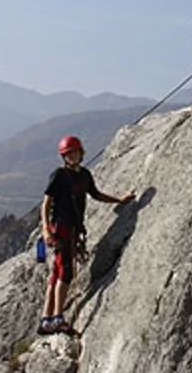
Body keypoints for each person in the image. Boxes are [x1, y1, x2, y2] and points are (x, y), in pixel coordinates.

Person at [37, 134, 136, 335]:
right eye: (68, 154)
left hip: (72, 228)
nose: (72, 156)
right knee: (64, 272)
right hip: (62, 228)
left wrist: (120, 200)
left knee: (57, 272)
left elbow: (96, 194)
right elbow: (46, 203)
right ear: (64, 157)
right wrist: (46, 229)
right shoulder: (59, 175)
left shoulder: (85, 175)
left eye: (75, 152)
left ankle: (46, 320)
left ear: (81, 154)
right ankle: (57, 318)